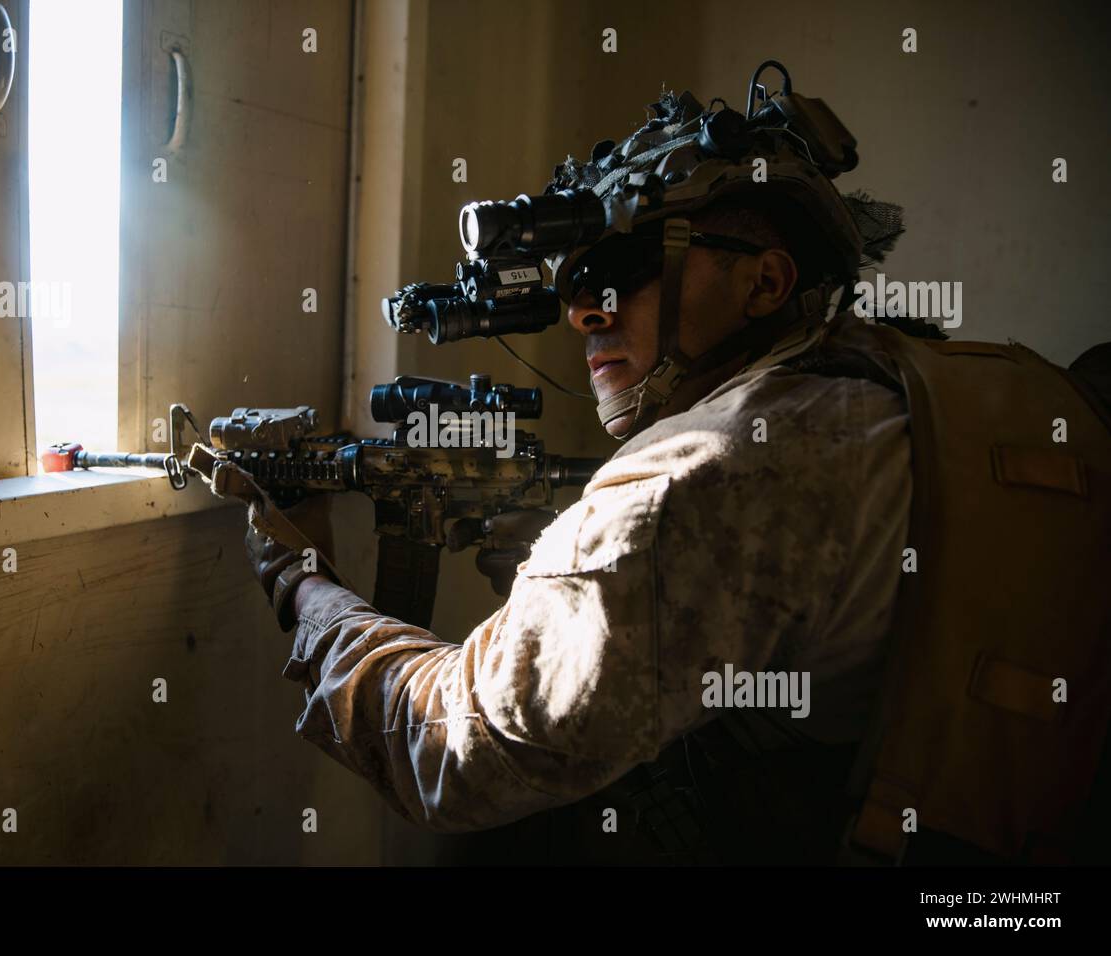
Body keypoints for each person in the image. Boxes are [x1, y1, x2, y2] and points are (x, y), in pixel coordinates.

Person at [240, 69, 1111, 865]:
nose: (584, 315)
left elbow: (452, 755)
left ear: (765, 284)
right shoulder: (903, 382)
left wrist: (305, 584)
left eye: (624, 269)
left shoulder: (703, 474)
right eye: (573, 283)